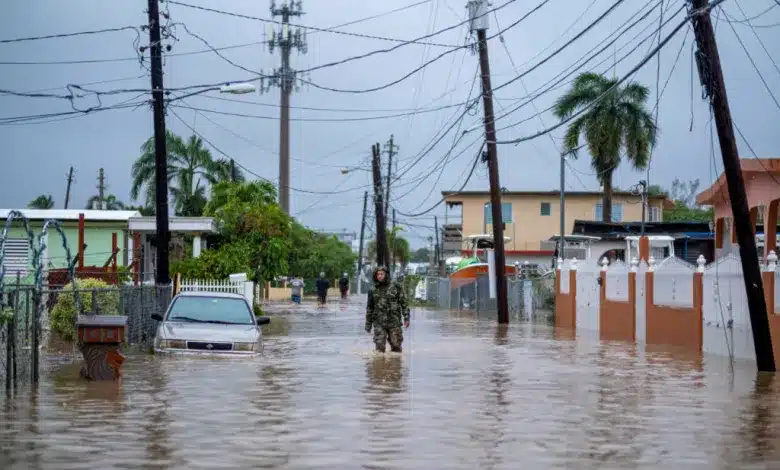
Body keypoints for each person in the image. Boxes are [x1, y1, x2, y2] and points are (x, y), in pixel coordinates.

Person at [365, 266, 409, 353]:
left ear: (386, 275)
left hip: (394, 321)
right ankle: (380, 365)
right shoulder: (373, 290)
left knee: (396, 346)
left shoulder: (396, 287)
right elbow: (370, 308)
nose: (379, 276)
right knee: (380, 347)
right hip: (379, 322)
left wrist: (406, 318)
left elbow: (404, 303)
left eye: (382, 274)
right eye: (378, 274)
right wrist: (368, 324)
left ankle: (396, 365)